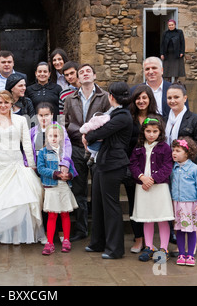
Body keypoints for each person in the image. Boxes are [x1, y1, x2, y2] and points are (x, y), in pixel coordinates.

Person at [0, 90, 46, 245]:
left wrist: (31, 164)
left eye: (6, 102)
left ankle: (19, 235)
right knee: (3, 203)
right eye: (0, 102)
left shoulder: (20, 120)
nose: (3, 105)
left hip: (16, 164)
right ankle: (6, 235)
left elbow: (26, 143)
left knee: (20, 201)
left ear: (12, 103)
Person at [83, 81, 133, 259]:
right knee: (97, 204)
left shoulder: (122, 116)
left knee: (111, 206)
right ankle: (98, 242)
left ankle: (115, 249)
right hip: (102, 162)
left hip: (113, 164)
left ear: (111, 96)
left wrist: (88, 136)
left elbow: (96, 134)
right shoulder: (113, 113)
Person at [63, 63, 110, 242]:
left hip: (98, 149)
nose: (84, 74)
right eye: (81, 72)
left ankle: (100, 232)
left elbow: (108, 121)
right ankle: (81, 229)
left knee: (99, 190)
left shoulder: (105, 97)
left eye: (88, 71)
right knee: (79, 190)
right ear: (78, 78)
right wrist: (83, 132)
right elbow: (65, 124)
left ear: (94, 75)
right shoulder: (70, 99)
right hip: (76, 148)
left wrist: (92, 136)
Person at [129, 116, 174, 262]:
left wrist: (153, 179)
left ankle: (163, 249)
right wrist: (142, 177)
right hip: (143, 187)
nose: (151, 134)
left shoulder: (165, 148)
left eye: (155, 131)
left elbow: (167, 167)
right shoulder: (138, 147)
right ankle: (149, 247)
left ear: (160, 132)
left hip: (159, 187)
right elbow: (133, 164)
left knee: (161, 218)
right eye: (148, 131)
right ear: (143, 132)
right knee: (147, 218)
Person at [125, 84, 159, 253]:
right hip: (134, 169)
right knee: (135, 204)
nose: (141, 101)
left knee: (151, 205)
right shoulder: (128, 118)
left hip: (153, 169)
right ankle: (138, 239)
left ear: (150, 99)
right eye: (138, 98)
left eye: (144, 97)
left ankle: (150, 239)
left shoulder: (158, 118)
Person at [37, 124, 78, 255]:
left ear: (61, 137)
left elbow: (71, 168)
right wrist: (55, 173)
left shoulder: (65, 152)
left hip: (64, 187)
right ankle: (50, 242)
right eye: (50, 136)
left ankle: (66, 240)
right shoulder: (43, 152)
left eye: (56, 136)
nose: (53, 138)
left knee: (65, 213)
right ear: (46, 137)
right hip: (51, 187)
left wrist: (69, 175)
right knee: (52, 215)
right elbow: (41, 168)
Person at [170, 137, 197, 266]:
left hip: (191, 204)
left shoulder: (195, 169)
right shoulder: (173, 168)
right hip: (178, 204)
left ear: (187, 153)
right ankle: (181, 253)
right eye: (173, 150)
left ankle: (190, 254)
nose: (174, 153)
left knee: (191, 230)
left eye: (178, 150)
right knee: (179, 229)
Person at [165, 83, 197, 166]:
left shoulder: (195, 119)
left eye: (176, 97)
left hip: (188, 164)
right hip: (167, 163)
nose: (172, 101)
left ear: (185, 98)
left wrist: (184, 156)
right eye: (169, 98)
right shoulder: (164, 119)